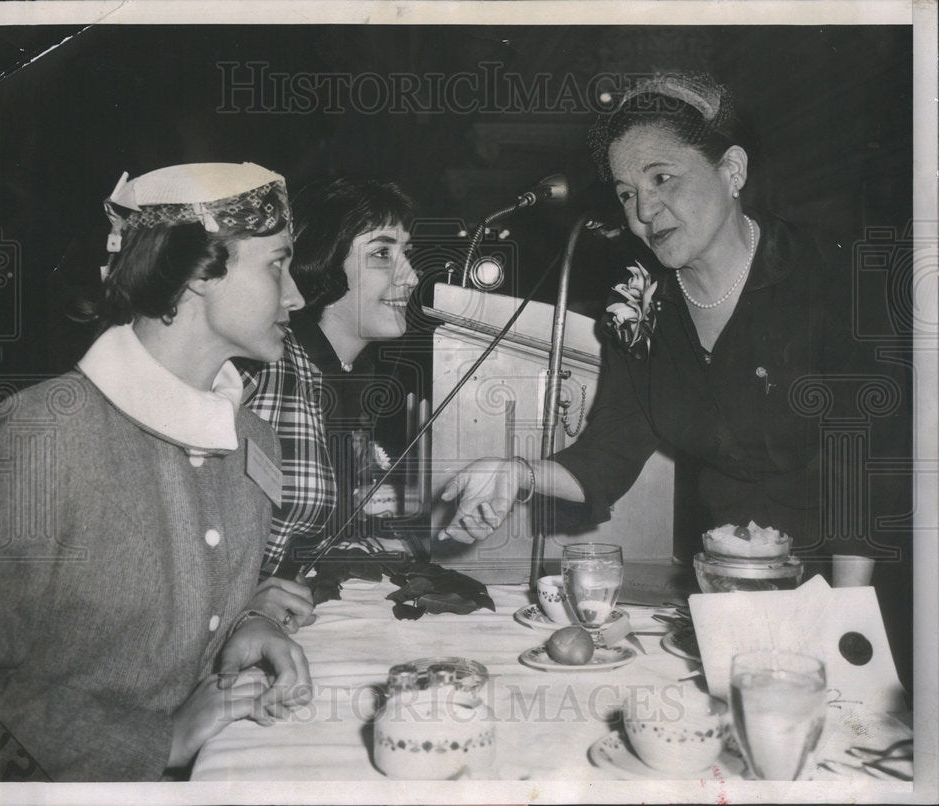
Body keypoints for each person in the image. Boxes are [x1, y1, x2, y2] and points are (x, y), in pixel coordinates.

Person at [438, 73, 912, 683]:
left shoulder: (833, 280)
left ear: (732, 170)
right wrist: (515, 473)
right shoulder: (639, 307)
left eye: (663, 179)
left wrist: (844, 636)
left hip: (860, 595)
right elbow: (608, 455)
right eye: (627, 193)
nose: (643, 211)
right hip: (729, 595)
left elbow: (867, 474)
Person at [0, 162, 318, 781]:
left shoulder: (251, 436)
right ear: (200, 271)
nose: (297, 295)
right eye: (276, 264)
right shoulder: (39, 437)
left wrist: (248, 617)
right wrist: (156, 740)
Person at [239, 177, 420, 579]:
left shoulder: (357, 373)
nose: (411, 277)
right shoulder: (262, 371)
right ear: (325, 260)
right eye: (382, 253)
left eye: (405, 253)